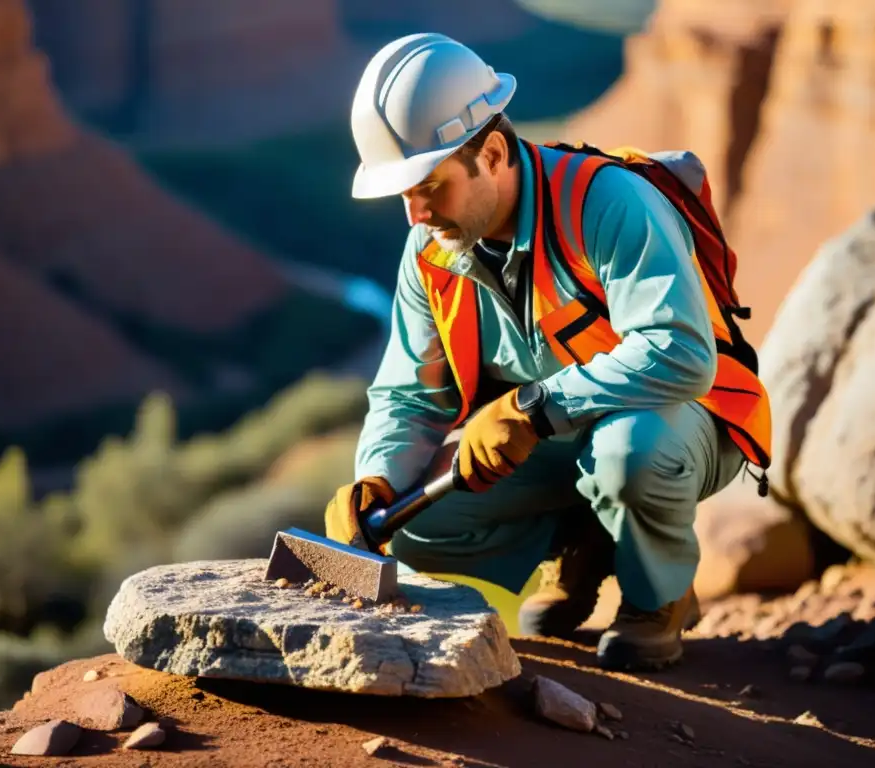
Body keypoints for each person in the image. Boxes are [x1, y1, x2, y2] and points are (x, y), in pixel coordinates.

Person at [324, 32, 772, 671]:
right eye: (403, 194)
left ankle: (659, 599)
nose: (415, 214)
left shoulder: (608, 203)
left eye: (430, 185)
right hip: (563, 440)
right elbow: (408, 396)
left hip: (683, 420)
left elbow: (682, 352)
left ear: (495, 152)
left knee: (628, 453)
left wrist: (534, 407)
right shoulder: (429, 250)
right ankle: (588, 540)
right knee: (414, 520)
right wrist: (378, 477)